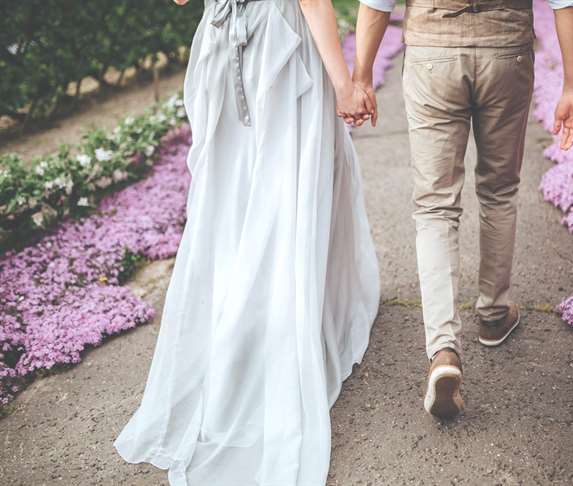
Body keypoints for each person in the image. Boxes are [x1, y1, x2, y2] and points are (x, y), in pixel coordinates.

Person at [113, 0, 380, 484]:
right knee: (284, 196)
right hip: (280, 42)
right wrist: (345, 82)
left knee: (232, 202)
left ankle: (232, 339)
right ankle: (265, 343)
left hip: (221, 40)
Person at [352, 0, 573, 418]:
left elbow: (376, 2)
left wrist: (362, 76)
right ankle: (494, 314)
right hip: (506, 54)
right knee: (499, 190)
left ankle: (443, 349)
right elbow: (568, 2)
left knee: (434, 207)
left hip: (432, 56)